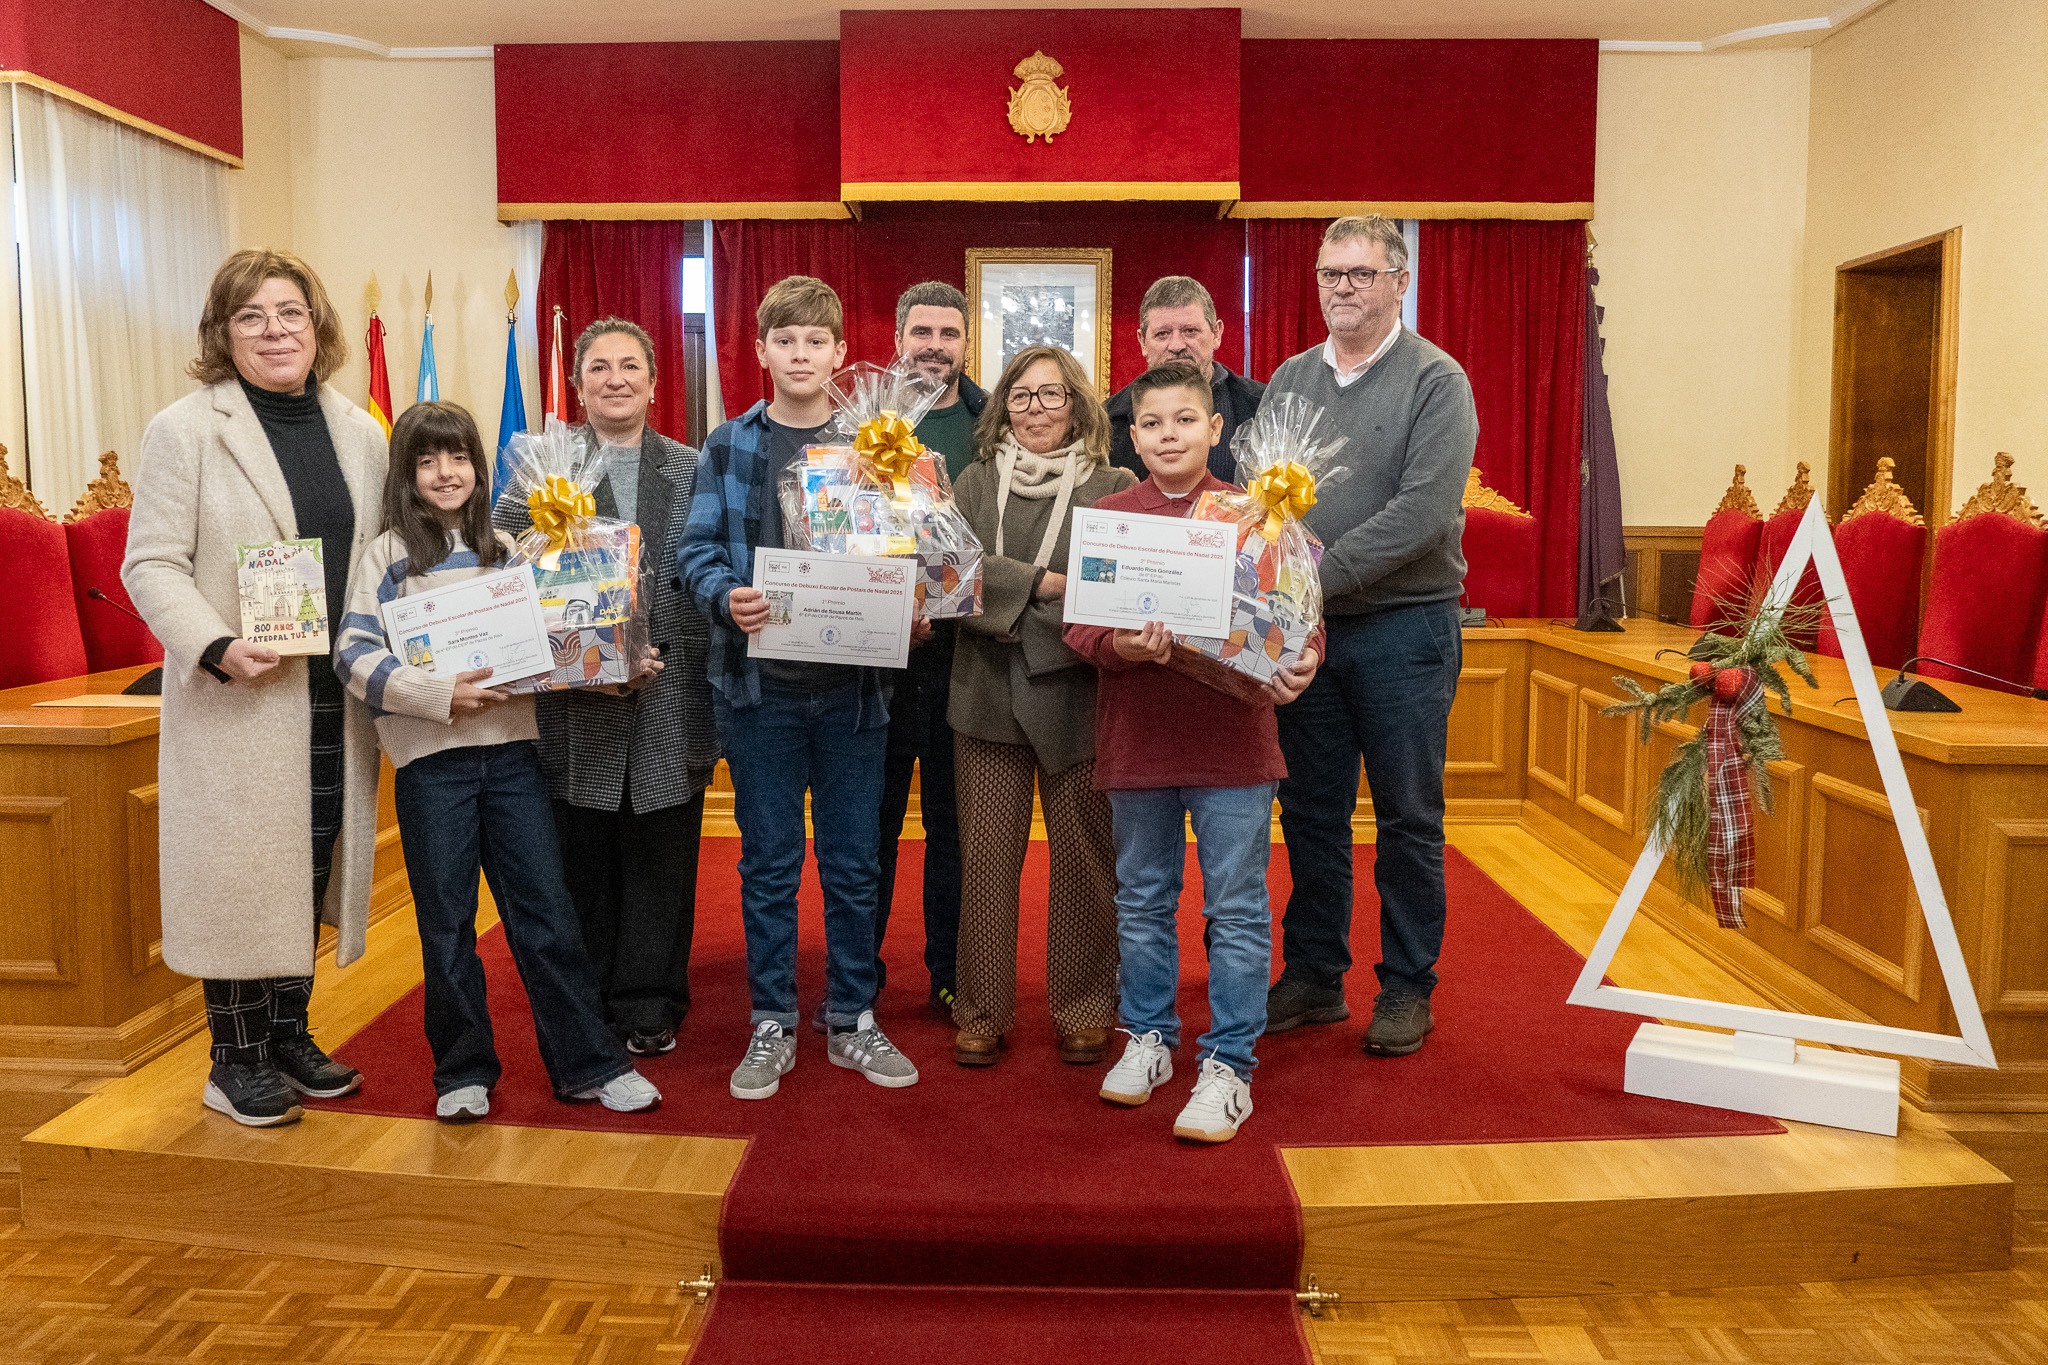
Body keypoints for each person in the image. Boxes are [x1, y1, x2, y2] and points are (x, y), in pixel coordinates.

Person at [334, 401, 660, 1120]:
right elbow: (353, 655)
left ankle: (588, 1062)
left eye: (458, 457)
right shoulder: (388, 556)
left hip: (514, 760)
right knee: (446, 924)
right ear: (406, 474)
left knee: (546, 915)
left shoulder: (513, 549)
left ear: (480, 469)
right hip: (432, 767)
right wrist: (435, 692)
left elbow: (556, 644)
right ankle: (461, 1071)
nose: (445, 472)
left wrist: (617, 666)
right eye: (426, 460)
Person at [123, 249, 385, 1127]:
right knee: (242, 873)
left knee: (304, 864)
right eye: (252, 317)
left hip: (329, 692)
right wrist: (216, 644)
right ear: (222, 333)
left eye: (290, 313)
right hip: (239, 693)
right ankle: (233, 1058)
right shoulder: (186, 429)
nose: (275, 331)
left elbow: (382, 558)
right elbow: (150, 563)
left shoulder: (361, 431)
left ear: (319, 326)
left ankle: (287, 1033)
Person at [1065, 363, 1321, 1142]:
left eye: (1185, 420)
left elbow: (1299, 619)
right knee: (1141, 900)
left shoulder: (1260, 514)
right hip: (1138, 742)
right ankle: (1148, 1036)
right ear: (1131, 434)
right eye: (1152, 423)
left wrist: (1305, 658)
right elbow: (1080, 631)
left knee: (1235, 908)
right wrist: (1123, 644)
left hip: (1235, 747)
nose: (1168, 435)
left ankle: (1229, 1061)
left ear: (1216, 429)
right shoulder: (1109, 515)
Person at [679, 275, 920, 1100]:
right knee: (770, 865)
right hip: (759, 695)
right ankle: (772, 1020)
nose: (801, 354)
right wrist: (726, 594)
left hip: (855, 696)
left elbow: (916, 555)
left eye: (816, 341)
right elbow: (697, 551)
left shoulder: (879, 445)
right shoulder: (729, 443)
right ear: (761, 352)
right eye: (785, 341)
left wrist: (914, 598)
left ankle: (852, 1017)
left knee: (855, 866)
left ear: (841, 353)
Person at [1263, 215, 1478, 1058]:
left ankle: (1406, 985)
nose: (1341, 288)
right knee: (1310, 813)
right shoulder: (1288, 378)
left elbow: (1424, 515)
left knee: (1407, 817)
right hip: (1305, 636)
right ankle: (1315, 974)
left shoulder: (1437, 380)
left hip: (1405, 631)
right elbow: (1263, 501)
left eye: (1358, 273)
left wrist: (1312, 577)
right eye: (1329, 273)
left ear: (1399, 280)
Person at [492, 318, 717, 1059]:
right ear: (579, 384)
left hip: (670, 691)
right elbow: (503, 568)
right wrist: (581, 655)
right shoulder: (540, 472)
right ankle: (585, 1000)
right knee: (581, 858)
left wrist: (644, 654)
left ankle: (650, 1001)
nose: (615, 378)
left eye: (630, 366)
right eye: (599, 368)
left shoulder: (693, 465)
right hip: (572, 700)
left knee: (662, 855)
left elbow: (712, 564)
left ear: (655, 382)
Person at [949, 345, 1135, 1068]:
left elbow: (1115, 582)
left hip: (1079, 695)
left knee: (1087, 863)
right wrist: (1046, 586)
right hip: (985, 696)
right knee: (987, 863)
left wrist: (1011, 593)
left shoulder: (1114, 483)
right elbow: (948, 574)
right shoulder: (970, 480)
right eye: (1021, 397)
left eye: (1052, 396)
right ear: (1002, 407)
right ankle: (982, 1010)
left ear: (1079, 406)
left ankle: (1085, 1007)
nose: (1036, 411)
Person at [872, 281, 987, 1022]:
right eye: (922, 331)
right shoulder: (860, 420)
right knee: (867, 831)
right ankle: (860, 976)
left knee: (955, 832)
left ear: (966, 342)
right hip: (872, 664)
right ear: (898, 335)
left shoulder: (992, 423)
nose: (935, 346)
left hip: (962, 661)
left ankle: (951, 972)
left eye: (949, 332)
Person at [1104, 276, 1264, 481]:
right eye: (1162, 334)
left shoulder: (1263, 408)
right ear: (1142, 341)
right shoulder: (1105, 421)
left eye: (1190, 331)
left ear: (1216, 333)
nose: (1177, 345)